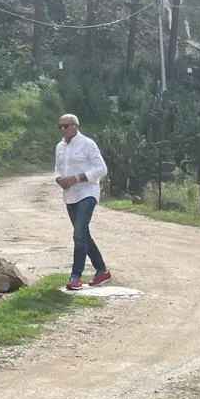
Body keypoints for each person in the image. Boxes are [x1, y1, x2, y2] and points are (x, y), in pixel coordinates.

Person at [54, 113, 112, 291]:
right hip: (70, 196)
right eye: (60, 126)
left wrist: (77, 178)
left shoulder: (88, 144)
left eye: (66, 126)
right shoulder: (60, 147)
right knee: (83, 235)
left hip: (87, 193)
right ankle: (102, 270)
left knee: (78, 234)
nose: (63, 129)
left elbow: (101, 169)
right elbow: (57, 169)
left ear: (75, 126)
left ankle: (75, 276)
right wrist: (59, 179)